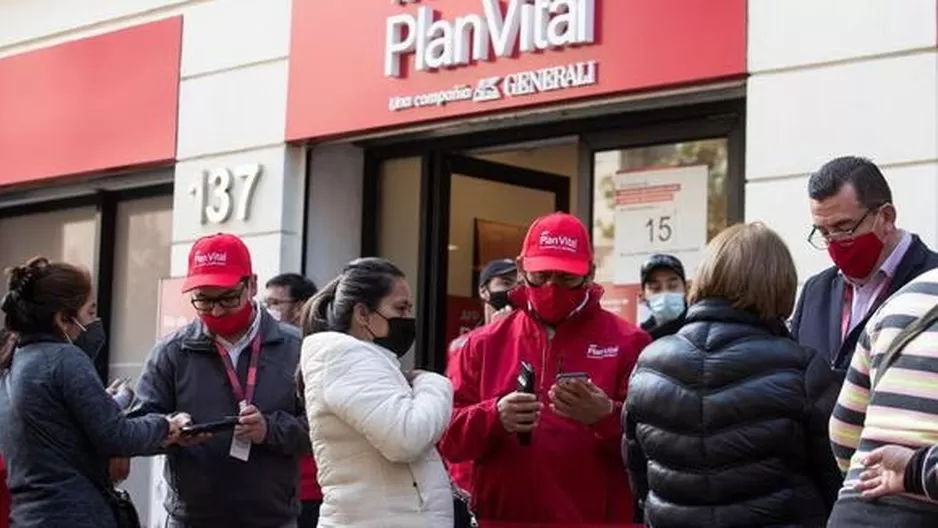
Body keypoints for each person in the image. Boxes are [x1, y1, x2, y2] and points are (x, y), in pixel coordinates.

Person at [439, 212, 651, 525]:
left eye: (566, 278)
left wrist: (607, 416)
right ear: (522, 267)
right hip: (505, 519)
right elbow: (447, 438)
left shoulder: (630, 343)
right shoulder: (482, 344)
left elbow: (657, 446)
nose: (552, 287)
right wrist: (494, 416)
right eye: (541, 275)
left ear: (589, 274)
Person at [624, 223, 840, 527]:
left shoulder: (648, 364)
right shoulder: (802, 369)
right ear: (780, 284)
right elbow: (837, 480)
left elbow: (640, 478)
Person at [131, 233, 310, 528]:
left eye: (228, 298)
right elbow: (137, 427)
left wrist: (270, 429)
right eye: (203, 300)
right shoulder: (172, 352)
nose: (216, 310)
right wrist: (170, 429)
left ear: (251, 284)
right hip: (192, 519)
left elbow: (321, 432)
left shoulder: (296, 349)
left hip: (272, 519)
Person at [0, 257, 188, 528]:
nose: (96, 322)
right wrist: (167, 426)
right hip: (76, 515)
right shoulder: (65, 359)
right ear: (63, 318)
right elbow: (117, 436)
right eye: (90, 312)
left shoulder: (14, 363)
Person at [299, 257, 454, 527]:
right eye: (400, 308)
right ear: (363, 314)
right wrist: (434, 384)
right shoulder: (346, 358)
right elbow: (407, 437)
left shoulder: (361, 360)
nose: (407, 319)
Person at [791, 156, 938, 377]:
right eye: (823, 232)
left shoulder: (932, 282)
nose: (833, 241)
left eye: (843, 227)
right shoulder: (815, 292)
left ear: (886, 217)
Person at [828, 267, 938, 526]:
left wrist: (869, 472)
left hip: (855, 508)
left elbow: (842, 433)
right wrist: (914, 470)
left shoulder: (901, 299)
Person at [447, 258, 519, 528]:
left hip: (508, 477)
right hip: (467, 479)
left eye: (518, 284)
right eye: (505, 283)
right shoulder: (465, 344)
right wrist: (497, 335)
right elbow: (458, 410)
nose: (511, 291)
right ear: (484, 291)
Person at [264, 273, 321, 528]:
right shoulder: (265, 352)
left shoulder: (319, 352)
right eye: (265, 304)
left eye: (275, 304)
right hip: (273, 487)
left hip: (311, 488)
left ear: (301, 308)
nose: (268, 311)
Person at [638, 253, 688, 340]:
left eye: (672, 286)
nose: (665, 294)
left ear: (686, 289)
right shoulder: (639, 339)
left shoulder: (700, 328)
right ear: (643, 296)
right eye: (655, 288)